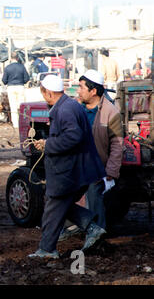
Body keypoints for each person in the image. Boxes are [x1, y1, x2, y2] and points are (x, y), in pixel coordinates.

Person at [28, 75, 107, 259]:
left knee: (53, 205)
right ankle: (92, 227)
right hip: (77, 169)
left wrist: (48, 145)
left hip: (69, 171)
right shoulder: (69, 106)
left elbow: (73, 137)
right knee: (58, 204)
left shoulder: (65, 110)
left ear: (47, 93)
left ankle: (47, 249)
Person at [59, 70, 124, 241]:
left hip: (97, 166)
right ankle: (74, 227)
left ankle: (98, 235)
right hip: (75, 163)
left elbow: (117, 144)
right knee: (59, 193)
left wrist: (111, 171)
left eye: (81, 87)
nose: (78, 91)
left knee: (95, 192)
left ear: (93, 91)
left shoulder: (111, 113)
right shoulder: (75, 108)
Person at [2, 51, 30, 128]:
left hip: (11, 87)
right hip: (20, 87)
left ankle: (16, 124)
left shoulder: (7, 68)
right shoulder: (22, 67)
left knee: (13, 106)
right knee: (21, 106)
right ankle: (23, 122)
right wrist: (22, 81)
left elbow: (4, 81)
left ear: (10, 58)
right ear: (17, 58)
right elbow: (27, 78)